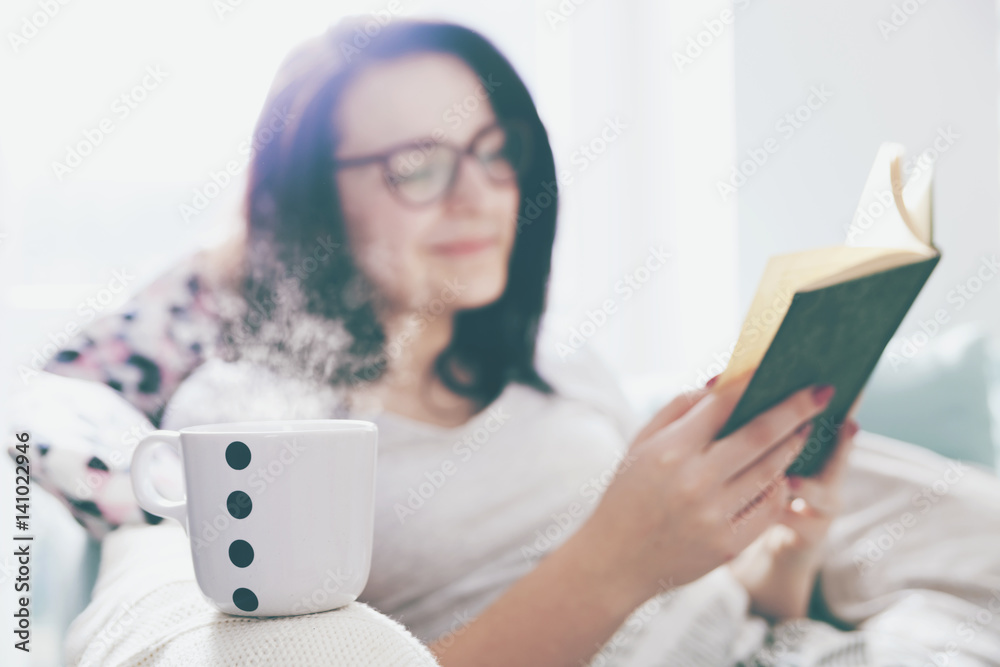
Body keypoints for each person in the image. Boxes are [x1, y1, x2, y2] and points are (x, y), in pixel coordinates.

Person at [13, 18, 1000, 667]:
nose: (479, 196)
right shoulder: (249, 420)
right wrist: (615, 562)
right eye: (416, 165)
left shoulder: (561, 371)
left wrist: (789, 537)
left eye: (495, 153)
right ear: (312, 194)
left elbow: (748, 610)